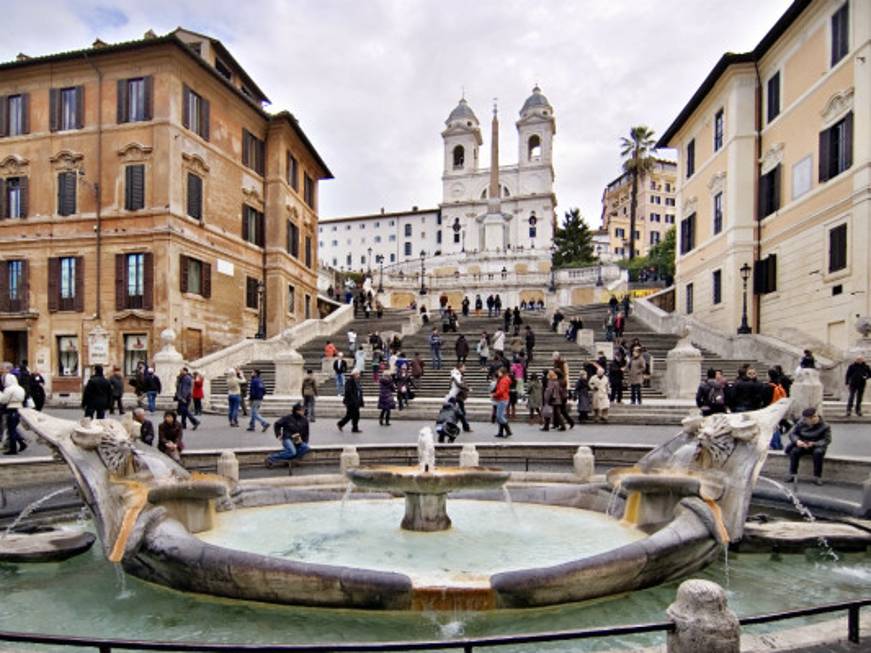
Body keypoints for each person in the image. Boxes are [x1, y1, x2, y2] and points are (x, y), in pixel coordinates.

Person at [784, 407, 831, 486]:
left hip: (817, 445)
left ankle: (817, 476)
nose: (815, 419)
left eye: (815, 416)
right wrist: (797, 441)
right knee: (794, 452)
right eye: (811, 418)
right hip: (803, 444)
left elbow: (827, 440)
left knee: (818, 453)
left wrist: (814, 443)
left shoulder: (825, 426)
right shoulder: (801, 423)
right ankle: (792, 474)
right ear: (806, 419)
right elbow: (792, 434)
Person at [266, 403, 310, 468]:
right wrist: (278, 434)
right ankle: (271, 458)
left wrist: (305, 441)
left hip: (297, 438)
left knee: (305, 447)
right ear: (297, 411)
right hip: (287, 437)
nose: (304, 411)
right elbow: (277, 424)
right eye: (302, 410)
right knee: (292, 452)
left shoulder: (304, 420)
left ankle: (292, 460)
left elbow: (306, 432)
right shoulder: (287, 418)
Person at [1, 373, 26, 455]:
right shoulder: (20, 388)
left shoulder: (9, 389)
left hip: (11, 409)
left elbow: (4, 400)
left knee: (11, 429)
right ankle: (21, 443)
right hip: (19, 408)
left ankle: (13, 449)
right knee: (13, 428)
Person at [492, 367, 512, 438]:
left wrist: (494, 395)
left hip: (502, 399)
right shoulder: (503, 379)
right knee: (500, 416)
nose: (498, 373)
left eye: (499, 372)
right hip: (503, 398)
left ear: (502, 372)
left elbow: (501, 391)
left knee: (499, 416)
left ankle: (508, 431)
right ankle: (500, 432)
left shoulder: (504, 380)